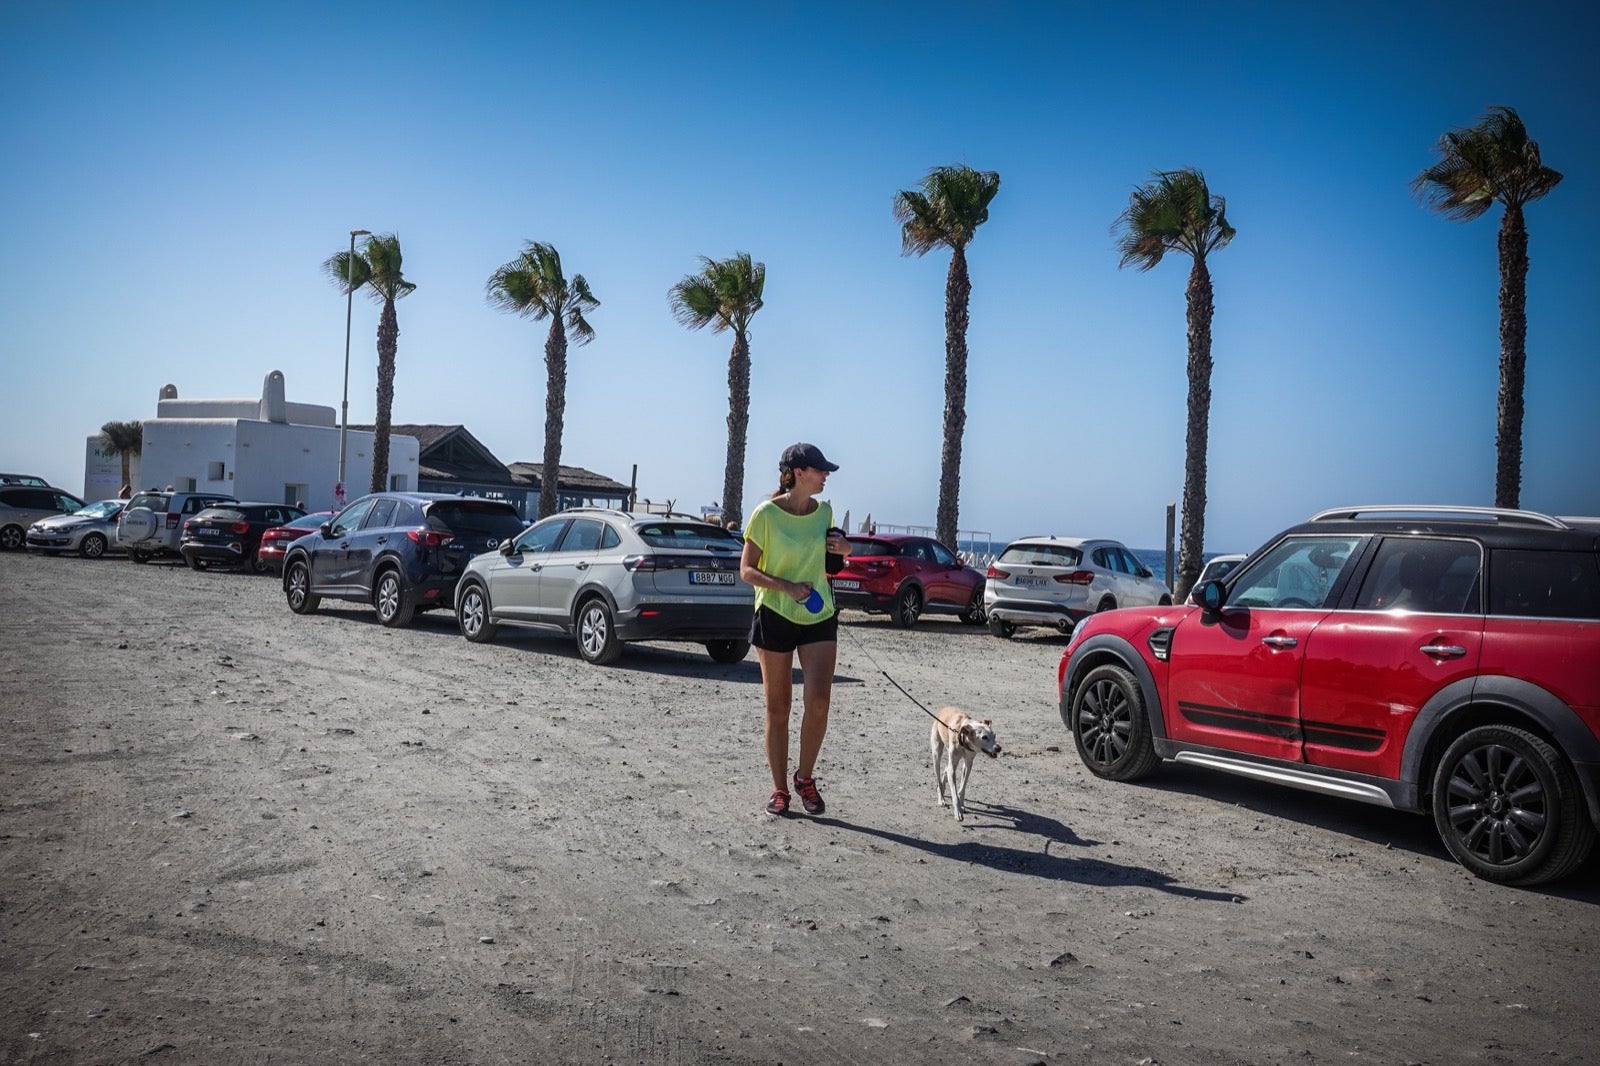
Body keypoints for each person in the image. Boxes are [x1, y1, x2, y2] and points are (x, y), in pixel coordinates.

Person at [739, 442, 850, 817]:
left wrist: (844, 550)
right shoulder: (765, 515)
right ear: (798, 473)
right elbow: (746, 571)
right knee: (779, 706)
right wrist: (786, 587)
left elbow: (833, 567)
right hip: (774, 613)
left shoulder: (825, 512)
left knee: (819, 702)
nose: (826, 476)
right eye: (820, 470)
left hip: (819, 614)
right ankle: (780, 788)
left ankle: (805, 777)